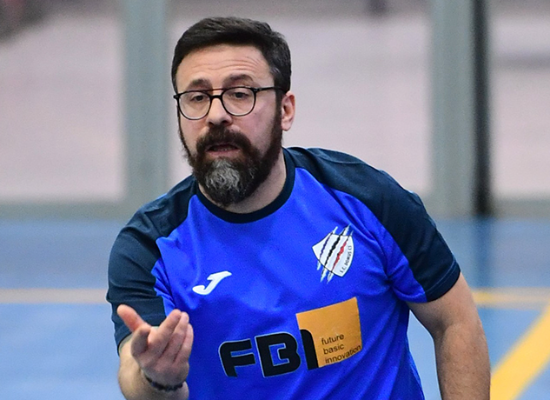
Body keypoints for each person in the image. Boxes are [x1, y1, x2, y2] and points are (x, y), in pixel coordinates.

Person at [107, 16, 490, 400]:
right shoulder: (150, 248)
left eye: (240, 93)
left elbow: (455, 320)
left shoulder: (368, 200)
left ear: (285, 110)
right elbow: (137, 375)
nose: (216, 114)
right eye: (197, 97)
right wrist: (158, 377)